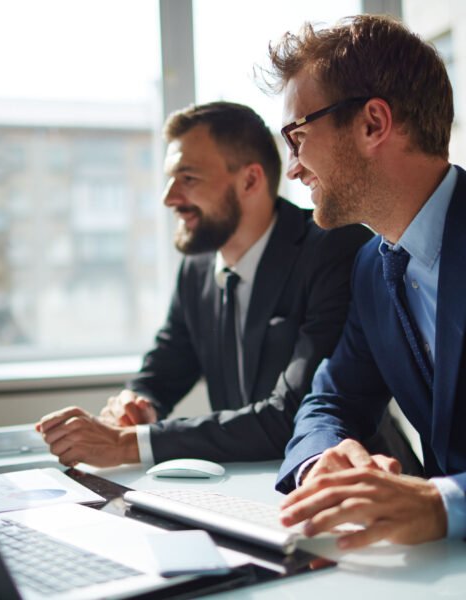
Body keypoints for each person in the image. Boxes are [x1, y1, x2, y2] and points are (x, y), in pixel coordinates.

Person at [36, 100, 386, 469]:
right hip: (238, 481)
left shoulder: (334, 249)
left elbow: (294, 416)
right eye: (170, 179)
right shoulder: (197, 268)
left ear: (251, 180)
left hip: (350, 483)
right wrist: (137, 402)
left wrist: (128, 445)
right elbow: (167, 363)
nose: (169, 198)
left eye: (188, 179)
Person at [262, 14, 466, 549]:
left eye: (297, 136)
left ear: (374, 123)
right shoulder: (374, 268)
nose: (293, 169)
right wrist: (320, 463)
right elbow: (330, 401)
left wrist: (448, 502)